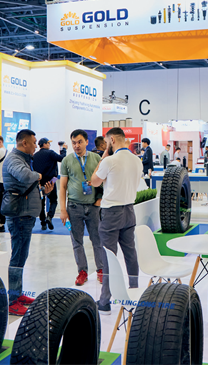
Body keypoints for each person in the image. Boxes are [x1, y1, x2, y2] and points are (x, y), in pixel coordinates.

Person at [90, 127, 143, 315]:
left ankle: (105, 302)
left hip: (111, 212)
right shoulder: (137, 160)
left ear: (112, 140)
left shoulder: (109, 161)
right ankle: (134, 292)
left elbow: (94, 181)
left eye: (107, 142)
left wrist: (104, 156)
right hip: (129, 210)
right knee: (130, 253)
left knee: (108, 256)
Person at [2, 129, 54, 315]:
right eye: (33, 143)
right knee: (17, 258)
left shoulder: (24, 159)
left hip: (25, 214)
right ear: (24, 143)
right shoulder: (14, 159)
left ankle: (18, 294)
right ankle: (12, 301)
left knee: (21, 256)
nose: (35, 146)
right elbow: (24, 176)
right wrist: (38, 175)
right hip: (19, 216)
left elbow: (25, 184)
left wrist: (43, 191)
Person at [59, 129, 105, 286]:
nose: (76, 145)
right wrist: (63, 210)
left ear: (87, 142)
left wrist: (99, 199)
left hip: (93, 207)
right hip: (74, 207)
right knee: (76, 241)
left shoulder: (96, 158)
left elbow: (102, 181)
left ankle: (101, 270)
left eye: (79, 142)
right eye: (73, 143)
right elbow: (62, 187)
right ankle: (82, 272)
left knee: (97, 239)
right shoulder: (67, 161)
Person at [32, 137, 64, 230]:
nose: (49, 145)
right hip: (51, 181)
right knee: (53, 200)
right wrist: (63, 149)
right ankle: (49, 216)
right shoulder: (50, 153)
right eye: (48, 143)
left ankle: (43, 223)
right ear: (44, 144)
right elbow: (62, 159)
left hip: (39, 182)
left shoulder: (35, 155)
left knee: (41, 202)